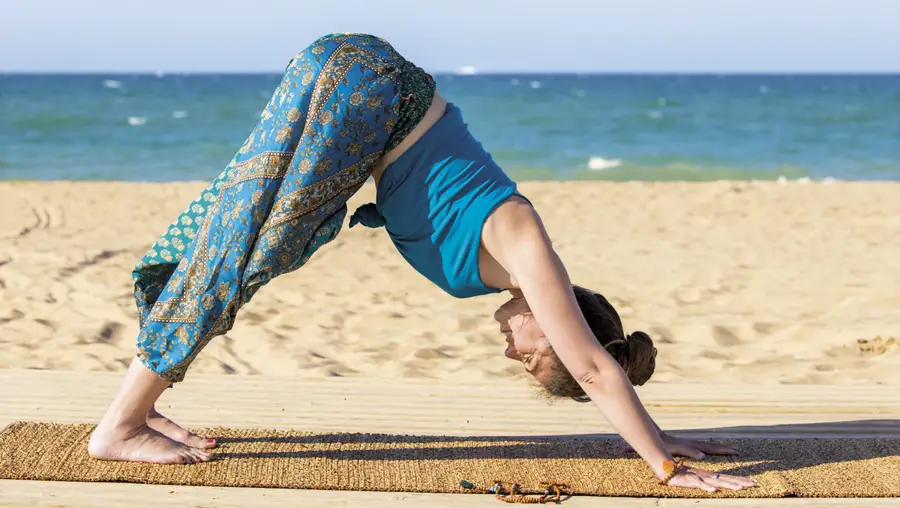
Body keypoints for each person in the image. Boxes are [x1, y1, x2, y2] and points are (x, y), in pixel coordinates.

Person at [88, 34, 756, 493]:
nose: (509, 353)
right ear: (557, 323)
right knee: (239, 257)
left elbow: (594, 362)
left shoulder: (500, 268)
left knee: (232, 240)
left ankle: (142, 409)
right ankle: (119, 425)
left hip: (358, 88)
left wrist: (659, 428)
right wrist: (664, 464)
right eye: (529, 355)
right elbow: (592, 365)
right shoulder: (527, 247)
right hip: (371, 89)